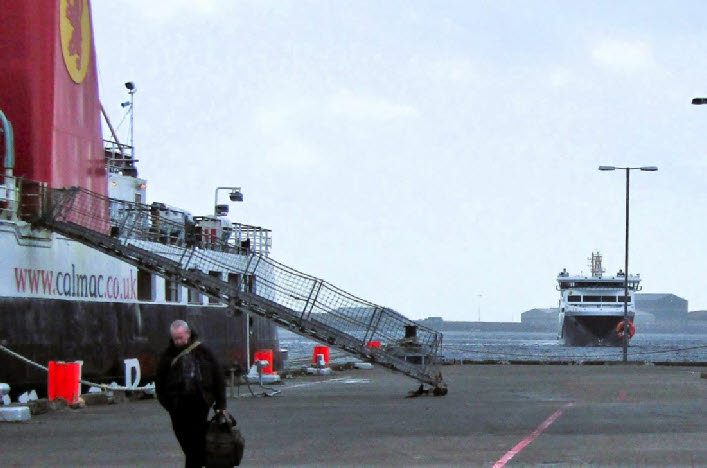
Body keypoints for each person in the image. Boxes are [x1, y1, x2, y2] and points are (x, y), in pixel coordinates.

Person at [156, 320, 226, 468]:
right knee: (188, 445)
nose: (178, 341)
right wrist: (169, 405)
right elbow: (160, 384)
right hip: (178, 407)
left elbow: (218, 377)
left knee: (196, 445)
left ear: (188, 333)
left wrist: (221, 404)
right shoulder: (167, 356)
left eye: (180, 337)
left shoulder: (203, 352)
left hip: (199, 403)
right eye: (175, 338)